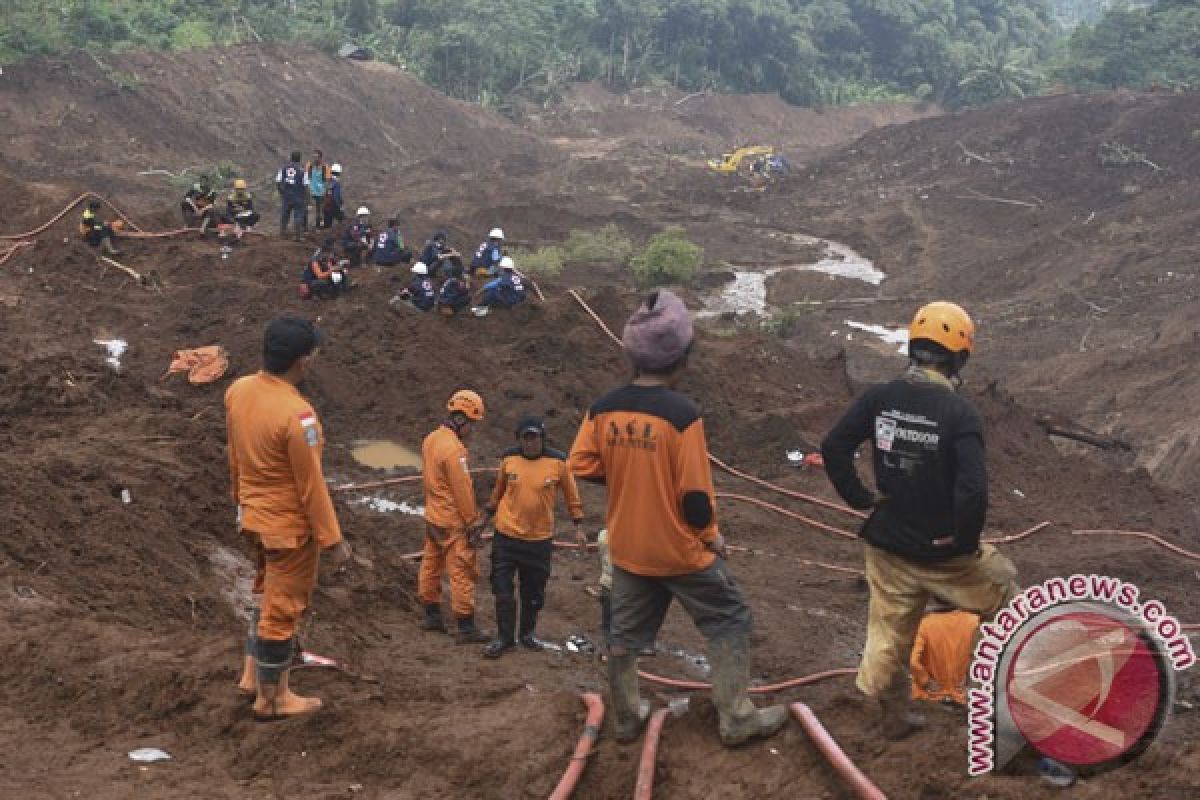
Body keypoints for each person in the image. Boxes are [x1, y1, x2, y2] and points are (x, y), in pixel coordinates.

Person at [569, 290, 787, 747]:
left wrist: (628, 469)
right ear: (682, 357)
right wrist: (711, 539)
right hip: (680, 551)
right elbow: (695, 499)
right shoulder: (683, 416)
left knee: (623, 636)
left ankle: (627, 718)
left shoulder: (604, 408)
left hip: (629, 548)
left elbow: (582, 465)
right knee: (729, 616)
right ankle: (736, 716)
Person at [820, 301, 1020, 740]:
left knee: (888, 635)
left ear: (912, 349)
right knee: (1005, 591)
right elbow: (973, 491)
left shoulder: (880, 397)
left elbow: (834, 446)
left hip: (887, 541)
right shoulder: (960, 414)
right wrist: (963, 543)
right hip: (942, 549)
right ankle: (990, 701)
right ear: (960, 358)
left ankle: (877, 716)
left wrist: (860, 498)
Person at [225, 315, 354, 719]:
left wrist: (240, 501)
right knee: (282, 611)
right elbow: (311, 486)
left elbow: (234, 456)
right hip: (288, 529)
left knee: (265, 595)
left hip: (253, 517)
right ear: (303, 361)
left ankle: (251, 677)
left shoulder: (239, 390)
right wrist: (333, 540)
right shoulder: (299, 417)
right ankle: (273, 699)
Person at [480, 416, 586, 658]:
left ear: (542, 438)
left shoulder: (558, 463)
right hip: (506, 536)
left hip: (539, 540)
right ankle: (505, 638)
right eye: (525, 439)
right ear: (519, 440)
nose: (530, 444)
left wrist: (578, 525)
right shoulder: (509, 459)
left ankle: (527, 634)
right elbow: (497, 493)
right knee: (502, 589)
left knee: (534, 592)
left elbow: (572, 496)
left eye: (534, 438)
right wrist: (483, 521)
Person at [418, 390, 490, 644]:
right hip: (451, 520)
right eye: (472, 424)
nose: (472, 430)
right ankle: (466, 626)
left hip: (433, 516)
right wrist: (472, 522)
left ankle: (431, 614)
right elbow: (462, 489)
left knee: (431, 564)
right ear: (463, 420)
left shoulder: (431, 439)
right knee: (461, 569)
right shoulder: (454, 450)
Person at [910, 604, 980, 705]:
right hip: (962, 696)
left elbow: (912, 661)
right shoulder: (974, 622)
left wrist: (925, 681)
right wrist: (970, 679)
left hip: (929, 697)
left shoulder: (925, 624)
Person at [275, 150, 309, 235]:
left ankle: (282, 232)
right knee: (298, 215)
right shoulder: (302, 171)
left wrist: (281, 192)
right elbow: (306, 186)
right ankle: (297, 235)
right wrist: (306, 198)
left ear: (291, 158)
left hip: (287, 195)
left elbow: (278, 181)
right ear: (299, 159)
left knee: (285, 214)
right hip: (298, 196)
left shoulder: (283, 168)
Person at [306, 150, 331, 228]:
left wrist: (325, 192)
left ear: (320, 158)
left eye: (316, 157)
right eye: (313, 157)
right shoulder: (309, 166)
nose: (315, 159)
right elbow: (306, 178)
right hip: (311, 192)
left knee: (319, 212)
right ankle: (307, 227)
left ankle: (318, 227)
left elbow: (327, 180)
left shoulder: (325, 168)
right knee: (309, 211)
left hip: (321, 193)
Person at [323, 164, 345, 229]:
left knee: (327, 226)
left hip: (326, 207)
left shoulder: (329, 182)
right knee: (343, 222)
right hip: (334, 206)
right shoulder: (336, 184)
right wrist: (340, 206)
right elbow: (336, 197)